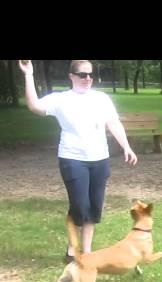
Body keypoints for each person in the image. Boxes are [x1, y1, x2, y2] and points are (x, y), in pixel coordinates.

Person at [17, 59, 137, 263]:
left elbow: (113, 122)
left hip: (100, 159)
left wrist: (126, 146)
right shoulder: (61, 99)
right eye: (82, 75)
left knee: (94, 206)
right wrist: (29, 75)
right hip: (72, 159)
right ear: (72, 76)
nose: (88, 78)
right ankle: (73, 248)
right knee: (80, 205)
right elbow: (34, 106)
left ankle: (86, 252)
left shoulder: (101, 98)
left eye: (91, 75)